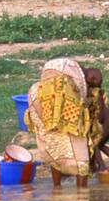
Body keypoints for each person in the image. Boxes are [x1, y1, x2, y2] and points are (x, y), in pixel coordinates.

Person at [26, 57, 95, 187]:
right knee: (81, 157)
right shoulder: (68, 86)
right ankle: (82, 193)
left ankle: (56, 188)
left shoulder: (37, 88)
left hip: (41, 107)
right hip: (64, 112)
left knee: (54, 149)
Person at [83, 67, 109, 173]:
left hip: (105, 124)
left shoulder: (93, 95)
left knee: (92, 143)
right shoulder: (100, 92)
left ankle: (102, 167)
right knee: (99, 144)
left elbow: (98, 113)